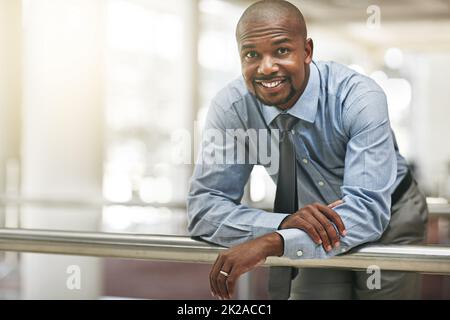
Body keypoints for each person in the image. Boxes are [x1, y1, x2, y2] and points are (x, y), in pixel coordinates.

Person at [187, 0, 428, 300]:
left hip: (389, 213)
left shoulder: (358, 96)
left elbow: (366, 210)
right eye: (252, 54)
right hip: (311, 223)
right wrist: (282, 224)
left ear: (307, 51)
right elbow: (204, 207)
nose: (266, 67)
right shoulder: (233, 109)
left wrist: (271, 241)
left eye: (281, 50)